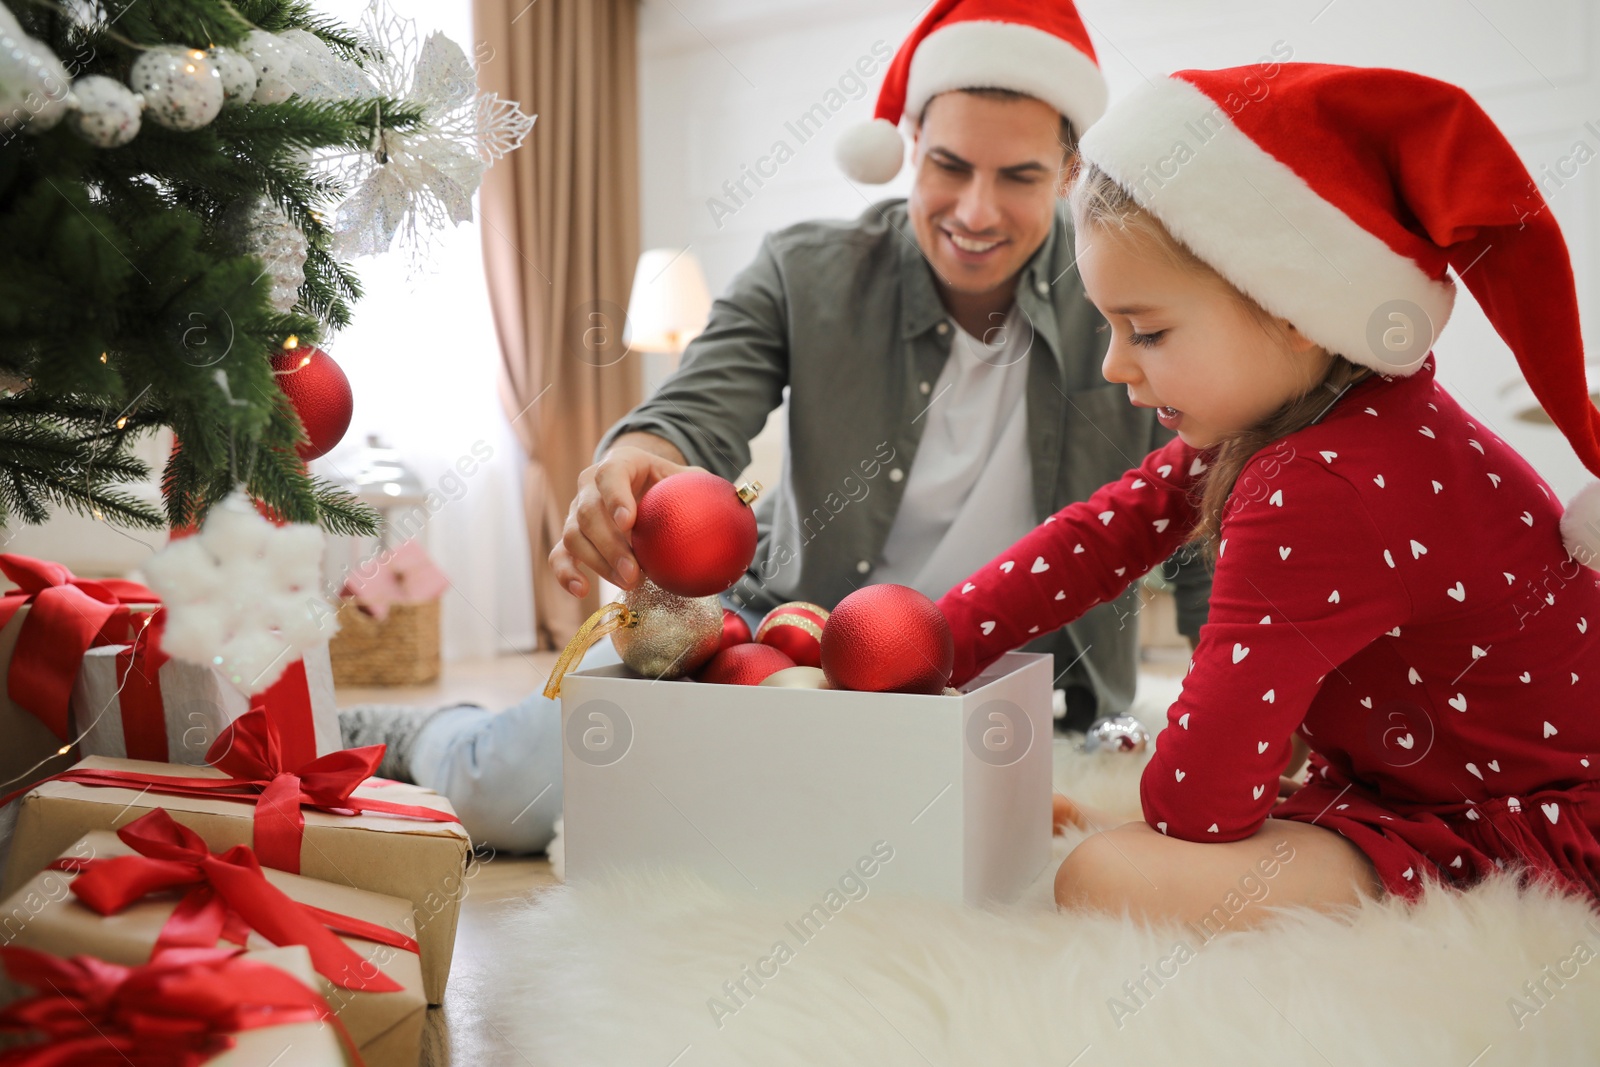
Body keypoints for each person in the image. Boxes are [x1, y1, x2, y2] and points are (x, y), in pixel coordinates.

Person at [341, 0, 1214, 853]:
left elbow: (1211, 505)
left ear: (1067, 172)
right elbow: (691, 412)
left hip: (1024, 690)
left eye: (1019, 175)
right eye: (950, 166)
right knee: (511, 795)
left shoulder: (1122, 295)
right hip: (789, 643)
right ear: (908, 146)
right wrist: (640, 460)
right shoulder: (806, 273)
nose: (976, 211)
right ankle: (426, 734)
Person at [940, 61, 1600, 926]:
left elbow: (1196, 802)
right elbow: (1098, 539)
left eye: (1148, 330)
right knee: (1135, 852)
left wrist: (1168, 820)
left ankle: (1352, 862)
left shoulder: (1322, 481)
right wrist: (930, 643)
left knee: (1100, 878)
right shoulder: (1318, 407)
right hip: (1413, 778)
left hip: (1530, 824)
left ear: (1293, 310)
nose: (1114, 364)